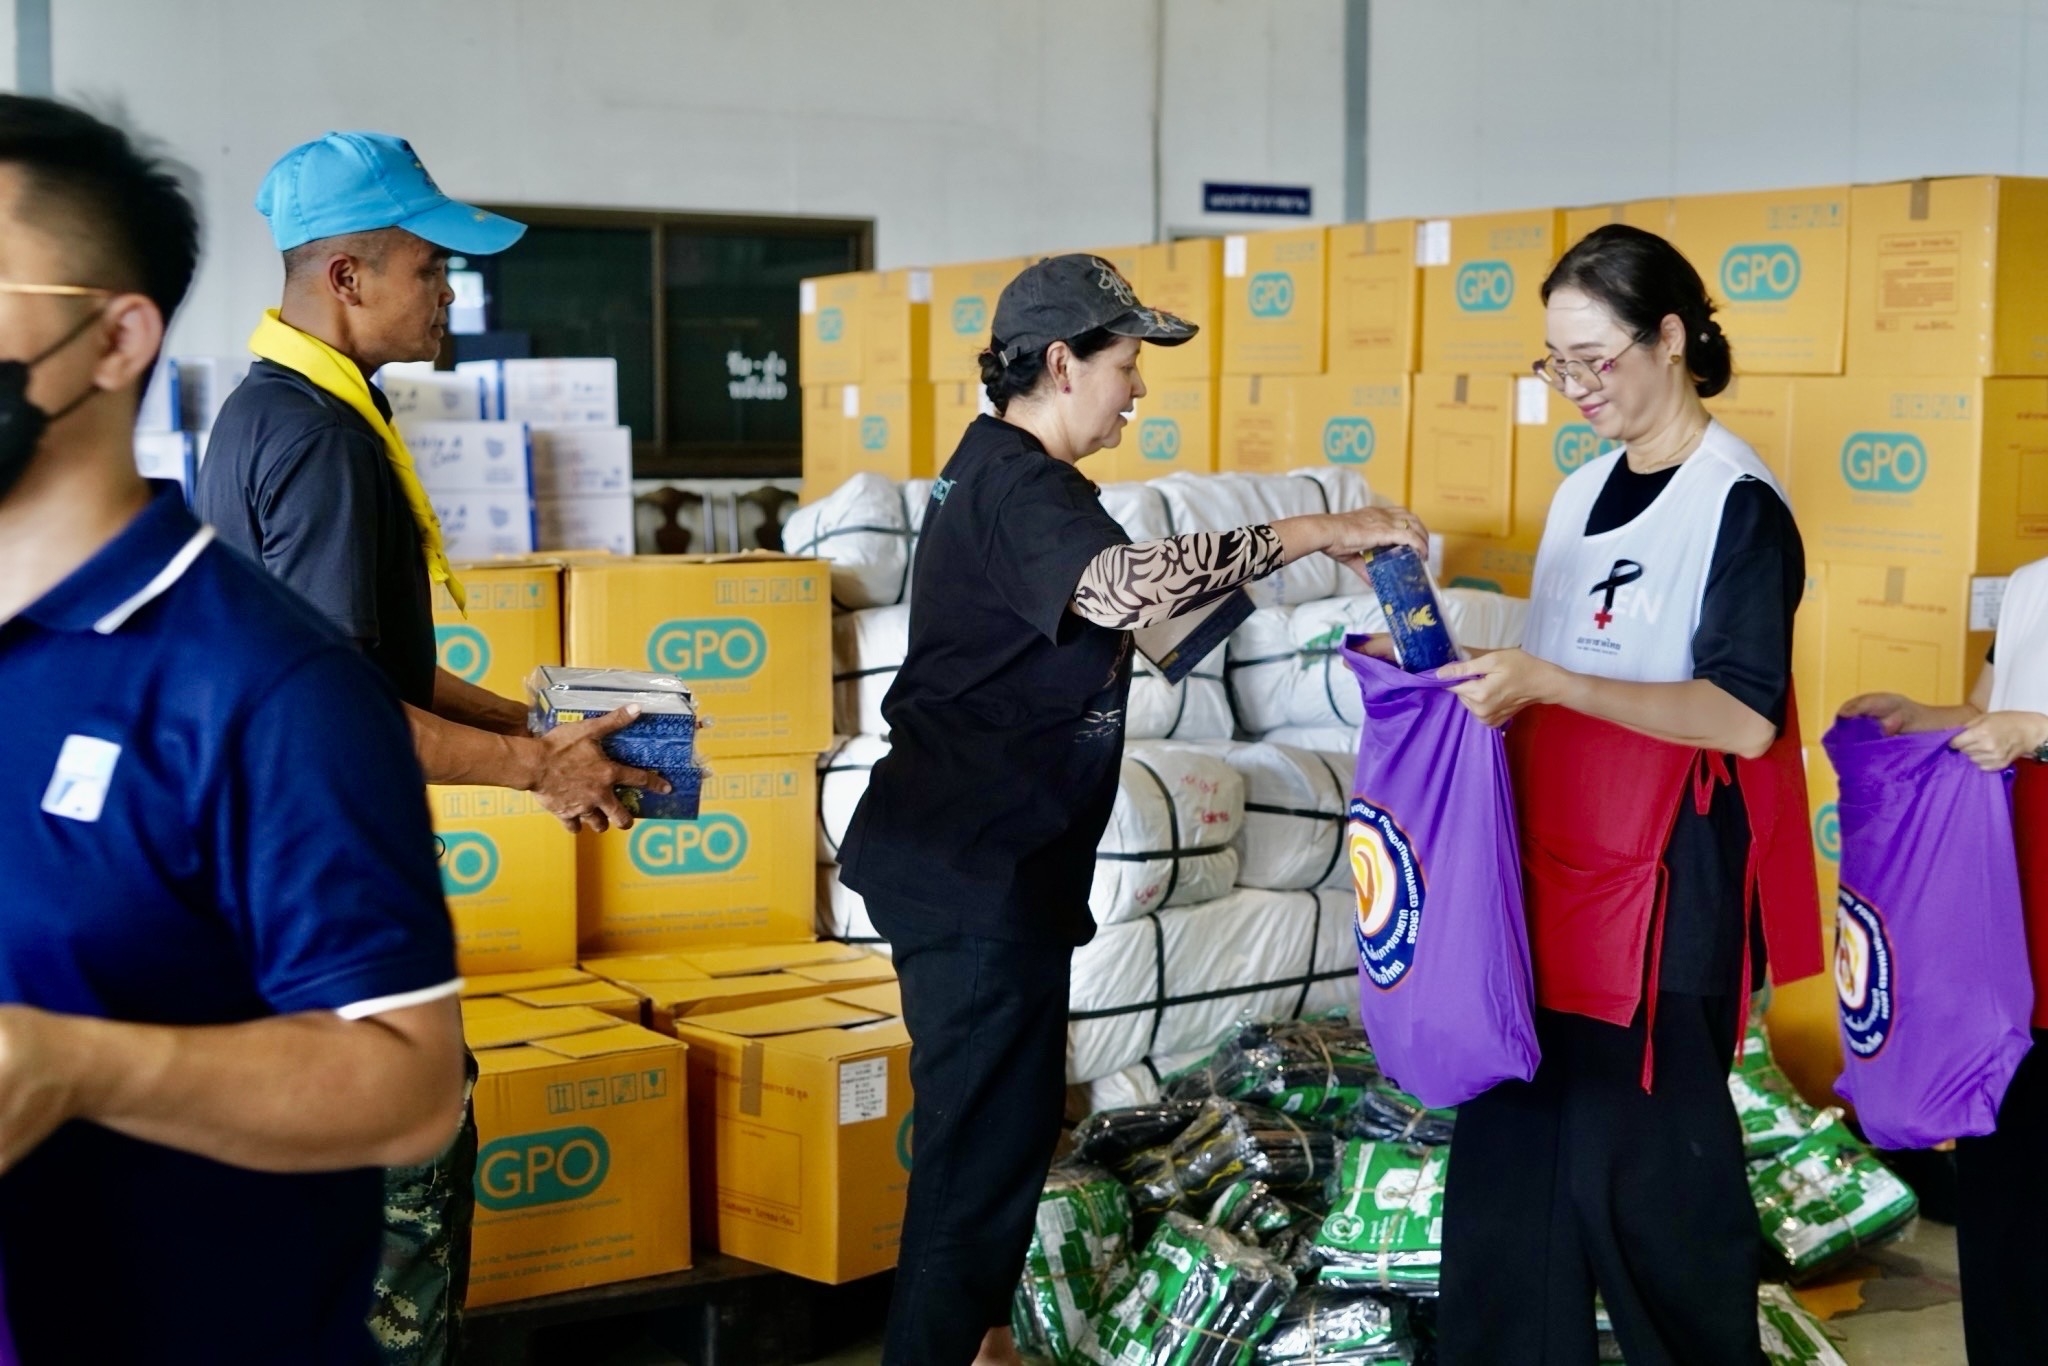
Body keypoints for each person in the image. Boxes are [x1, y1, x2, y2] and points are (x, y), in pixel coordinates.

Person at [834, 253, 1431, 1366]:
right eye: (1125, 365)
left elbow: (1162, 623)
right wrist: (1314, 528)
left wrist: (1364, 637)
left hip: (989, 863)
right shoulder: (1019, 485)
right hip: (971, 868)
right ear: (1061, 364)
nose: (1137, 390)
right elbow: (1121, 590)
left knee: (1010, 1133)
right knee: (975, 1159)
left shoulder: (1021, 484)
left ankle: (982, 1344)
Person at [0, 95, 465, 1363]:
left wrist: (77, 1067)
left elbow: (408, 1083)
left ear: (115, 338)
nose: (446, 296)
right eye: (431, 267)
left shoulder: (264, 690)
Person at [190, 131, 665, 1363]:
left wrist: (520, 720)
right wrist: (544, 771)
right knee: (400, 1233)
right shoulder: (322, 441)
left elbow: (352, 657)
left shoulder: (267, 411)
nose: (452, 293)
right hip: (333, 915)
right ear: (346, 276)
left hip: (276, 898)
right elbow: (342, 714)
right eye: (431, 268)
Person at [1428, 225, 1824, 1366]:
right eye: (1556, 364)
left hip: (1667, 891)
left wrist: (1554, 681)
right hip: (1551, 870)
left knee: (1651, 1189)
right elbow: (1559, 678)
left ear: (1671, 337)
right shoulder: (1578, 494)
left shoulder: (1736, 503)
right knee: (1510, 1175)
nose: (1576, 387)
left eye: (1595, 359)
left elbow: (1742, 716)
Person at [1841, 590, 2048, 1364]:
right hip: (2009, 925)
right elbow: (1984, 710)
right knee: (2004, 1194)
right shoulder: (2032, 584)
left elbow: (2025, 723)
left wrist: (2038, 734)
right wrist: (1920, 716)